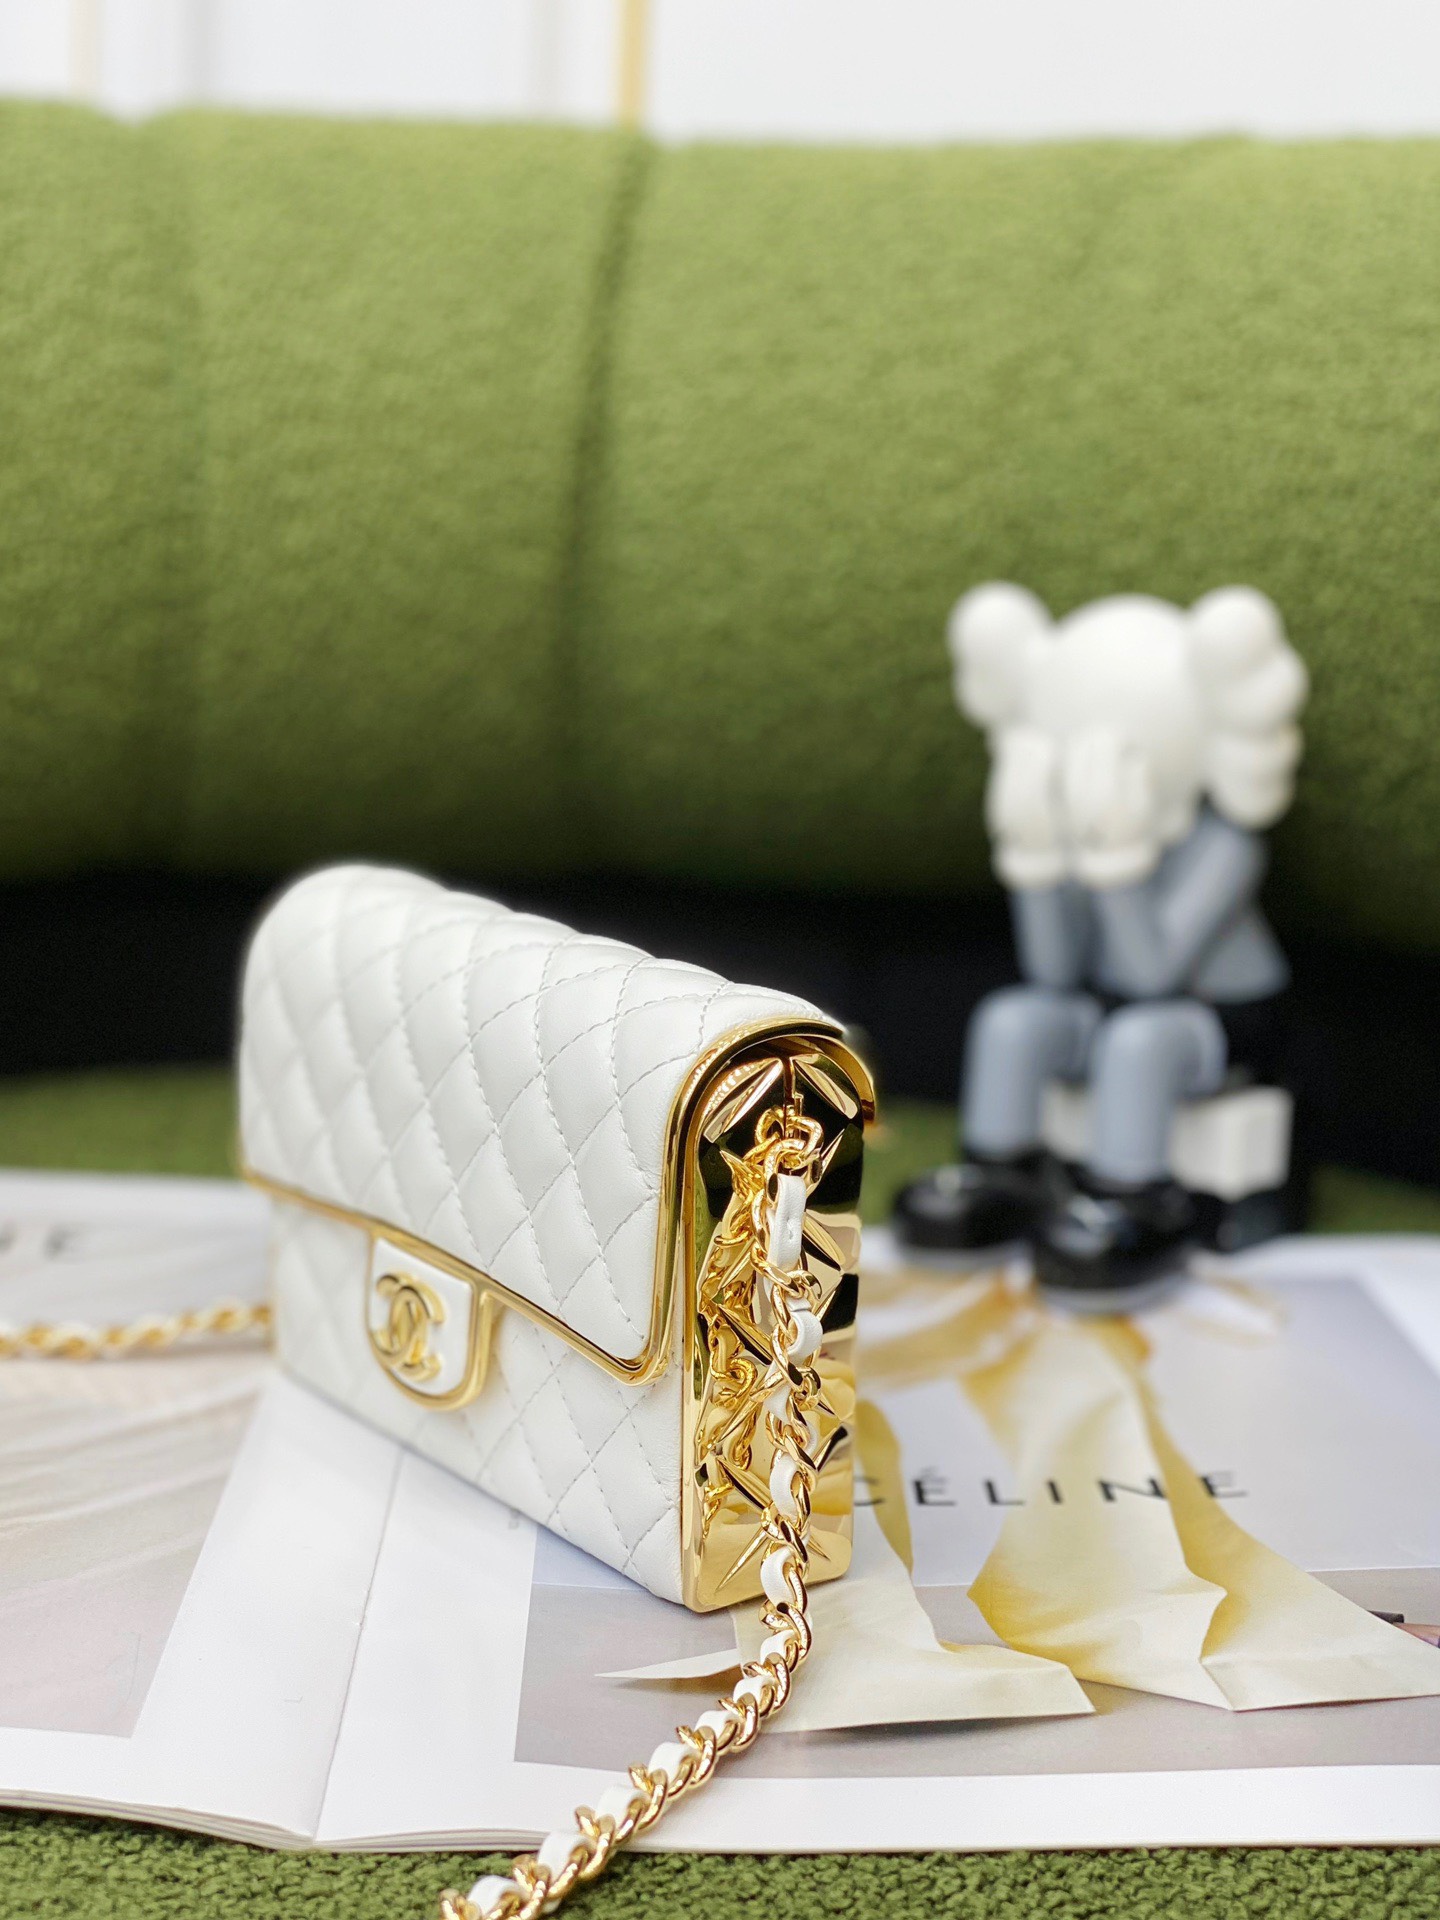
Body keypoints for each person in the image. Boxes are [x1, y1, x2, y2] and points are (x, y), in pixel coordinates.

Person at [894, 582, 1308, 1298]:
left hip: (1226, 1020)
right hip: (1112, 998)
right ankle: (1003, 1175)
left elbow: (1154, 975)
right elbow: (1053, 972)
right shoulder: (1086, 828)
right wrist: (1036, 860)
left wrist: (1117, 865)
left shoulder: (1226, 846)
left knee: (1139, 1042)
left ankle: (1133, 1199)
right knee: (1013, 1018)